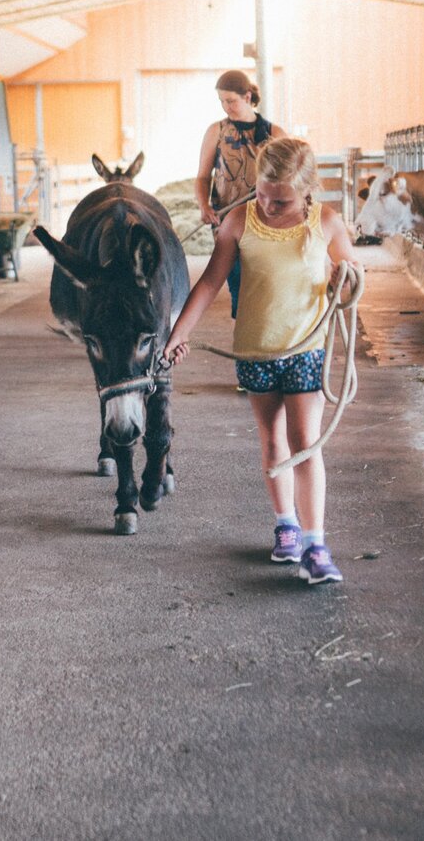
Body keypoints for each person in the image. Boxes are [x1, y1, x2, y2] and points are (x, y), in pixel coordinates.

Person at [166, 137, 362, 585]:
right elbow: (211, 281)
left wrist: (342, 280)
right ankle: (285, 524)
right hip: (255, 349)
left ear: (308, 189)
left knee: (306, 443)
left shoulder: (326, 223)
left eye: (282, 200)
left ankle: (316, 544)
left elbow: (351, 284)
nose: (270, 207)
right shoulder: (239, 220)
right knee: (272, 440)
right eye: (264, 195)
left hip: (304, 350)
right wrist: (179, 332)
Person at [194, 70, 287, 318]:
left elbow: (289, 180)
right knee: (238, 288)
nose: (226, 107)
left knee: (268, 285)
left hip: (267, 222)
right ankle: (246, 342)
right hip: (227, 221)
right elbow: (203, 177)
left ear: (247, 96)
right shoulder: (217, 131)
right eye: (222, 102)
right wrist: (204, 206)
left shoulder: (275, 134)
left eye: (231, 101)